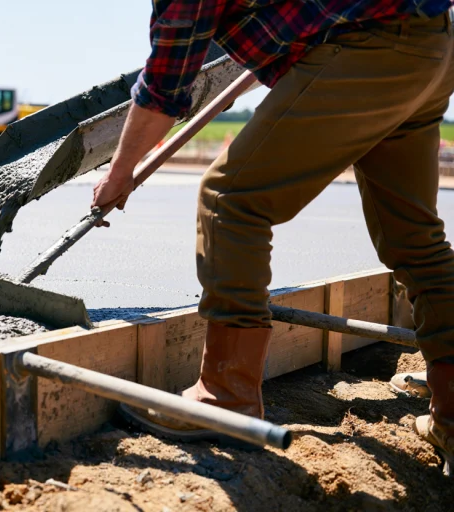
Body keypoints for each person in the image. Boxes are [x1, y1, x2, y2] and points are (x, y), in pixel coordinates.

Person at [92, 1, 454, 476]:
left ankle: (227, 396)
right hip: (432, 46)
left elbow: (165, 84)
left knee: (230, 199)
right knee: (416, 242)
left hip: (371, 47)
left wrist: (120, 172)